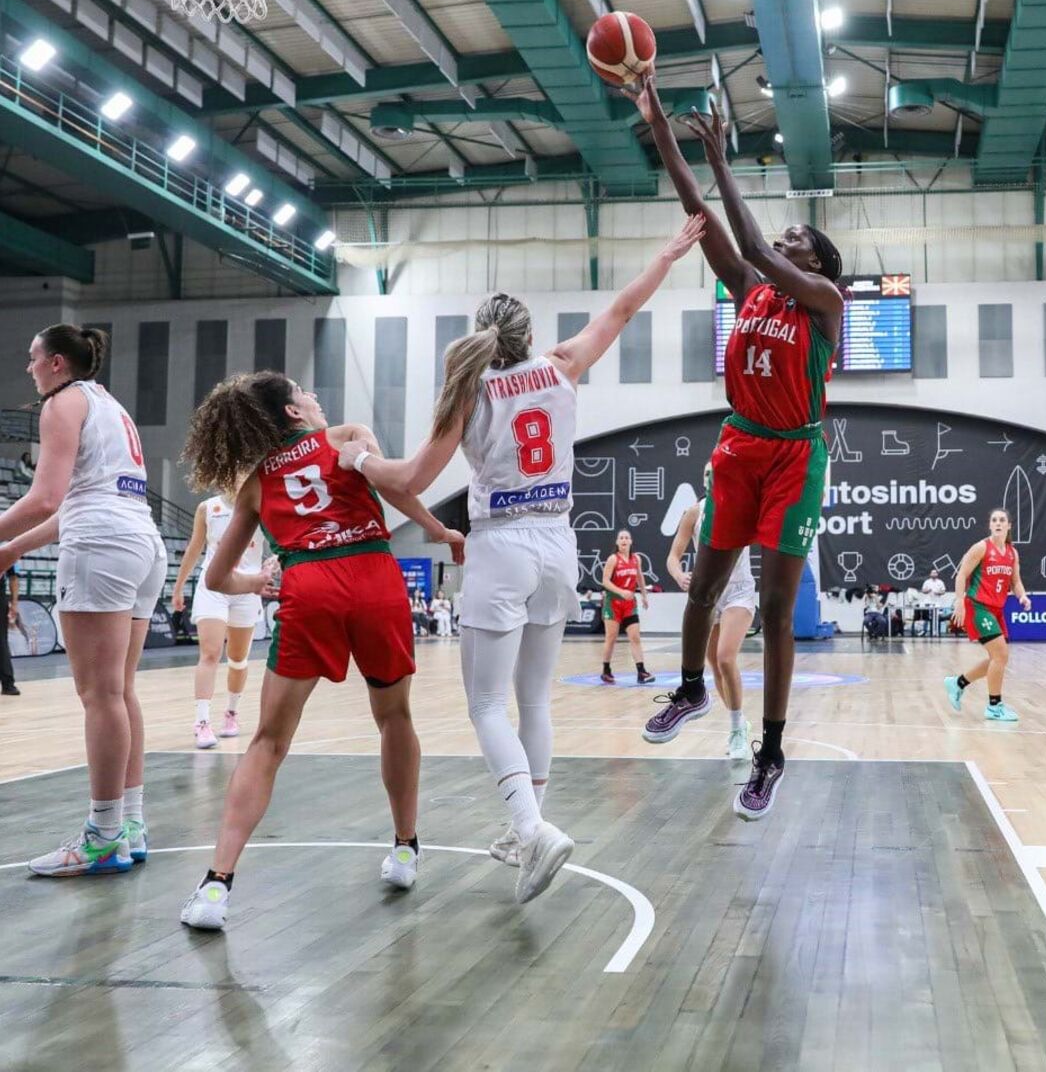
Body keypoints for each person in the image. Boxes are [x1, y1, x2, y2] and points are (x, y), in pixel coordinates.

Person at [339, 214, 705, 902]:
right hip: (558, 544)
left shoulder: (469, 391)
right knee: (534, 699)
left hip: (502, 545)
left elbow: (412, 479)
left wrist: (360, 458)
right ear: (530, 335)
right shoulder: (563, 367)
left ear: (484, 337)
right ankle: (528, 826)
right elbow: (624, 307)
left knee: (484, 705)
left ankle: (531, 830)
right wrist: (668, 249)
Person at [176, 372, 464, 930]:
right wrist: (439, 530)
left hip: (309, 587)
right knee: (394, 716)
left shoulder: (256, 484)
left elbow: (214, 576)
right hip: (374, 575)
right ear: (291, 412)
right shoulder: (347, 436)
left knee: (268, 742)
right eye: (304, 392)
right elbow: (400, 490)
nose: (313, 395)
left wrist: (257, 584)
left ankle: (216, 886)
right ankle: (405, 847)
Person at [629, 73, 844, 821]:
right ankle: (690, 687)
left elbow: (750, 238)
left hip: (796, 456)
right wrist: (654, 117)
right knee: (702, 587)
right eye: (783, 239)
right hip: (741, 447)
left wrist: (724, 156)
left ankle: (772, 752)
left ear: (815, 263)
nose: (782, 241)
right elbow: (699, 214)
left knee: (779, 610)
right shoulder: (751, 289)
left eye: (797, 240)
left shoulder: (825, 305)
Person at [0, 324, 167, 875]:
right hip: (142, 543)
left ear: (55, 363)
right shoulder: (107, 405)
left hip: (102, 548)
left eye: (32, 358)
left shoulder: (61, 404)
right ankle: (131, 824)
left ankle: (101, 835)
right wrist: (10, 549)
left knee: (99, 696)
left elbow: (46, 498)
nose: (28, 367)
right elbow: (81, 505)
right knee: (119, 691)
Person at [665, 462, 753, 759]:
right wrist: (679, 575)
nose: (712, 478)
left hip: (738, 591)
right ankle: (737, 721)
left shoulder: (743, 505)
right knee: (715, 665)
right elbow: (674, 556)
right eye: (708, 473)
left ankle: (738, 730)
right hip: (708, 593)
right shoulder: (695, 512)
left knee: (726, 658)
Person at [171, 487, 266, 748]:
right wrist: (178, 587)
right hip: (213, 586)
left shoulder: (262, 502)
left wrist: (276, 562)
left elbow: (288, 539)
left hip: (247, 586)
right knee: (210, 653)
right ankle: (202, 721)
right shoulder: (208, 508)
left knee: (237, 658)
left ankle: (231, 712)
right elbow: (194, 548)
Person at [944, 507, 1031, 722]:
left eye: (1002, 520)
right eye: (994, 520)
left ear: (1009, 525)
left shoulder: (1012, 552)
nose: (998, 523)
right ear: (990, 525)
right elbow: (961, 574)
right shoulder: (981, 548)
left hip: (996, 609)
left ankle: (958, 683)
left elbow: (1015, 581)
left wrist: (1022, 596)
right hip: (978, 606)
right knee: (1001, 655)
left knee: (997, 658)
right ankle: (994, 706)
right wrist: (959, 602)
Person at [599, 529, 653, 684]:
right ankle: (606, 669)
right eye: (621, 538)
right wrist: (621, 591)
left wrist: (643, 595)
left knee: (635, 637)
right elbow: (605, 581)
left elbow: (640, 576)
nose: (623, 540)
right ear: (617, 542)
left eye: (626, 538)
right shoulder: (613, 559)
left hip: (629, 603)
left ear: (631, 541)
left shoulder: (636, 559)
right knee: (611, 637)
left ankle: (641, 671)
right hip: (613, 603)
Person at [1, 561, 20, 695]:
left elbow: (13, 578)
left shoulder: (5, 550)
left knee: (1, 641)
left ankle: (8, 683)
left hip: (0, 599)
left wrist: (14, 603)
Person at [917, 568, 946, 636]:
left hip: (937, 603)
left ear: (937, 574)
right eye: (932, 573)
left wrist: (938, 592)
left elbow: (943, 591)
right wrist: (927, 590)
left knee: (937, 617)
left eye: (935, 573)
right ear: (930, 574)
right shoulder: (927, 582)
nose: (933, 574)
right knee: (927, 617)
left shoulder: (940, 582)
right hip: (928, 602)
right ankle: (924, 631)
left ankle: (936, 632)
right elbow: (923, 591)